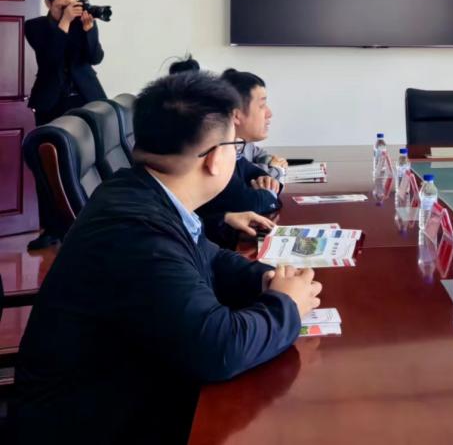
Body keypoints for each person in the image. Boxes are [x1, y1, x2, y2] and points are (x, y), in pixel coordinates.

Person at [13, 71, 322, 443]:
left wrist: (264, 279)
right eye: (234, 146)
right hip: (94, 425)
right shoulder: (135, 232)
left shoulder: (140, 191)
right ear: (214, 159)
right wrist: (286, 305)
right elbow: (217, 350)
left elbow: (210, 257)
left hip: (134, 391)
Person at [196, 69, 285, 244]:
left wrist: (269, 182)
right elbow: (253, 204)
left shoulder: (232, 148)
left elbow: (257, 175)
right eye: (262, 106)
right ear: (236, 115)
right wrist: (268, 192)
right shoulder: (216, 152)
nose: (269, 113)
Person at [25, 0, 106, 125]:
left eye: (71, 6)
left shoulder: (82, 22)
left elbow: (95, 58)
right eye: (62, 7)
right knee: (50, 138)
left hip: (87, 96)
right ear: (48, 3)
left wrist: (89, 32)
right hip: (50, 100)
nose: (68, 11)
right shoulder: (34, 26)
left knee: (92, 139)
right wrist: (65, 21)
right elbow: (51, 59)